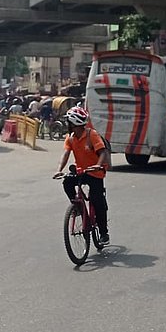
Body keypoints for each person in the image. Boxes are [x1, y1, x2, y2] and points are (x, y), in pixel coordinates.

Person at [53, 105, 110, 245]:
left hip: (95, 173)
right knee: (67, 182)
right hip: (81, 171)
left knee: (97, 201)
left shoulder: (92, 135)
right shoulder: (71, 138)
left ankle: (103, 233)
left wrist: (98, 165)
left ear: (75, 124)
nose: (68, 125)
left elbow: (102, 152)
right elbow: (65, 154)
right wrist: (59, 169)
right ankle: (78, 208)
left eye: (69, 123)